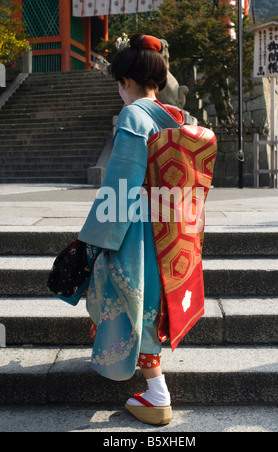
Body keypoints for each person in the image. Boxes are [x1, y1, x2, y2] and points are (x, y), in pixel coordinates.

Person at [76, 33, 217, 425]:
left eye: (118, 85)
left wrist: (97, 238)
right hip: (171, 229)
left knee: (128, 297)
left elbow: (120, 184)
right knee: (154, 304)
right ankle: (152, 385)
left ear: (125, 82)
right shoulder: (177, 116)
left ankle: (157, 393)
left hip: (137, 230)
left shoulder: (133, 115)